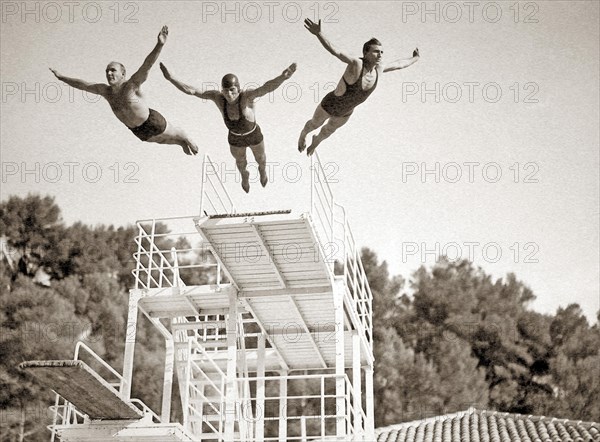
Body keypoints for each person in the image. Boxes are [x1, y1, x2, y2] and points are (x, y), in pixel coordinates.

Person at [50, 26, 198, 156]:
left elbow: (147, 65)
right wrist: (62, 78)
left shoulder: (131, 85)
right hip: (137, 130)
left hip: (152, 121)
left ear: (123, 73)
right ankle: (180, 143)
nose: (109, 74)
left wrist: (159, 44)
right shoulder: (105, 91)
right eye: (107, 71)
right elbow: (83, 84)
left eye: (113, 70)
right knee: (161, 141)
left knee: (173, 133)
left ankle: (185, 137)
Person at [160, 62, 297, 192]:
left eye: (232, 90)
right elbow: (192, 91)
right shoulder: (218, 98)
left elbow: (266, 88)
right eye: (226, 91)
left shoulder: (247, 96)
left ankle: (262, 171)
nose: (229, 94)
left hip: (253, 134)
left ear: (238, 88)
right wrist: (171, 78)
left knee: (260, 159)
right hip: (235, 137)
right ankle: (245, 175)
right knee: (240, 162)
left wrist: (283, 77)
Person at [298, 19, 420, 156]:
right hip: (330, 104)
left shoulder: (379, 69)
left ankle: (315, 143)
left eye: (382, 52)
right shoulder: (356, 64)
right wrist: (319, 34)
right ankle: (303, 135)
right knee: (314, 125)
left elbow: (399, 64)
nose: (380, 55)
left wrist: (415, 58)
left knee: (327, 132)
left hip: (346, 113)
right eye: (376, 51)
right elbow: (336, 52)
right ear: (366, 53)